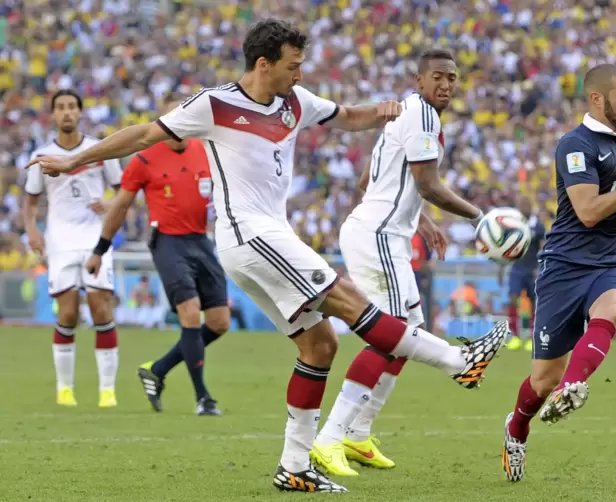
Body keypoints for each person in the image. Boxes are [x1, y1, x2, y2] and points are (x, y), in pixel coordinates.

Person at [27, 19, 508, 493]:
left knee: (320, 345)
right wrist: (73, 160)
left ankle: (295, 466)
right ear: (263, 63)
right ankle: (454, 361)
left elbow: (347, 117)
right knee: (344, 295)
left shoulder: (296, 102)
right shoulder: (215, 104)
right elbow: (142, 135)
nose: (299, 74)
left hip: (270, 236)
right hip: (247, 235)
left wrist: (388, 110)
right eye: (293, 65)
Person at [312, 49, 505, 476]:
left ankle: (358, 435)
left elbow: (370, 181)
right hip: (377, 235)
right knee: (392, 335)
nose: (446, 85)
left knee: (405, 333)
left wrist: (421, 220)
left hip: (381, 232)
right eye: (437, 77)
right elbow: (429, 184)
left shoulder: (403, 113)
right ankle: (329, 439)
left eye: (452, 79)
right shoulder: (422, 116)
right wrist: (480, 217)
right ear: (418, 80)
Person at [500, 64, 616, 483]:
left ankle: (574, 385)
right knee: (541, 381)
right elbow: (588, 212)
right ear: (597, 98)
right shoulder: (574, 144)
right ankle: (516, 428)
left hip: (610, 264)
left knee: (614, 304)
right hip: (563, 268)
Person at [85, 99, 231, 416]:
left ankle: (159, 369)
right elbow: (121, 206)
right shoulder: (144, 159)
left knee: (220, 323)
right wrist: (100, 248)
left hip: (201, 241)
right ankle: (203, 398)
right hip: (167, 242)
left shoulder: (206, 150)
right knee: (190, 315)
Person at [22, 90, 122, 408]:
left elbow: (125, 192)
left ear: (80, 113)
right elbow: (30, 202)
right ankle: (65, 389)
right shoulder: (42, 155)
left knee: (101, 310)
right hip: (61, 240)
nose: (66, 112)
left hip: (96, 238)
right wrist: (33, 231)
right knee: (67, 313)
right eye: (60, 108)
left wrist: (108, 203)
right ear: (52, 115)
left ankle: (107, 390)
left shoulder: (100, 150)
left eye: (71, 107)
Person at [506, 196, 546, 351]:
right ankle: (515, 336)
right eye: (522, 205)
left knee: (533, 303)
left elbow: (543, 248)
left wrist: (540, 267)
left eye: (527, 204)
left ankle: (531, 338)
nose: (524, 208)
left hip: (532, 270)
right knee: (513, 300)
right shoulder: (514, 225)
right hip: (516, 268)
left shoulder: (538, 227)